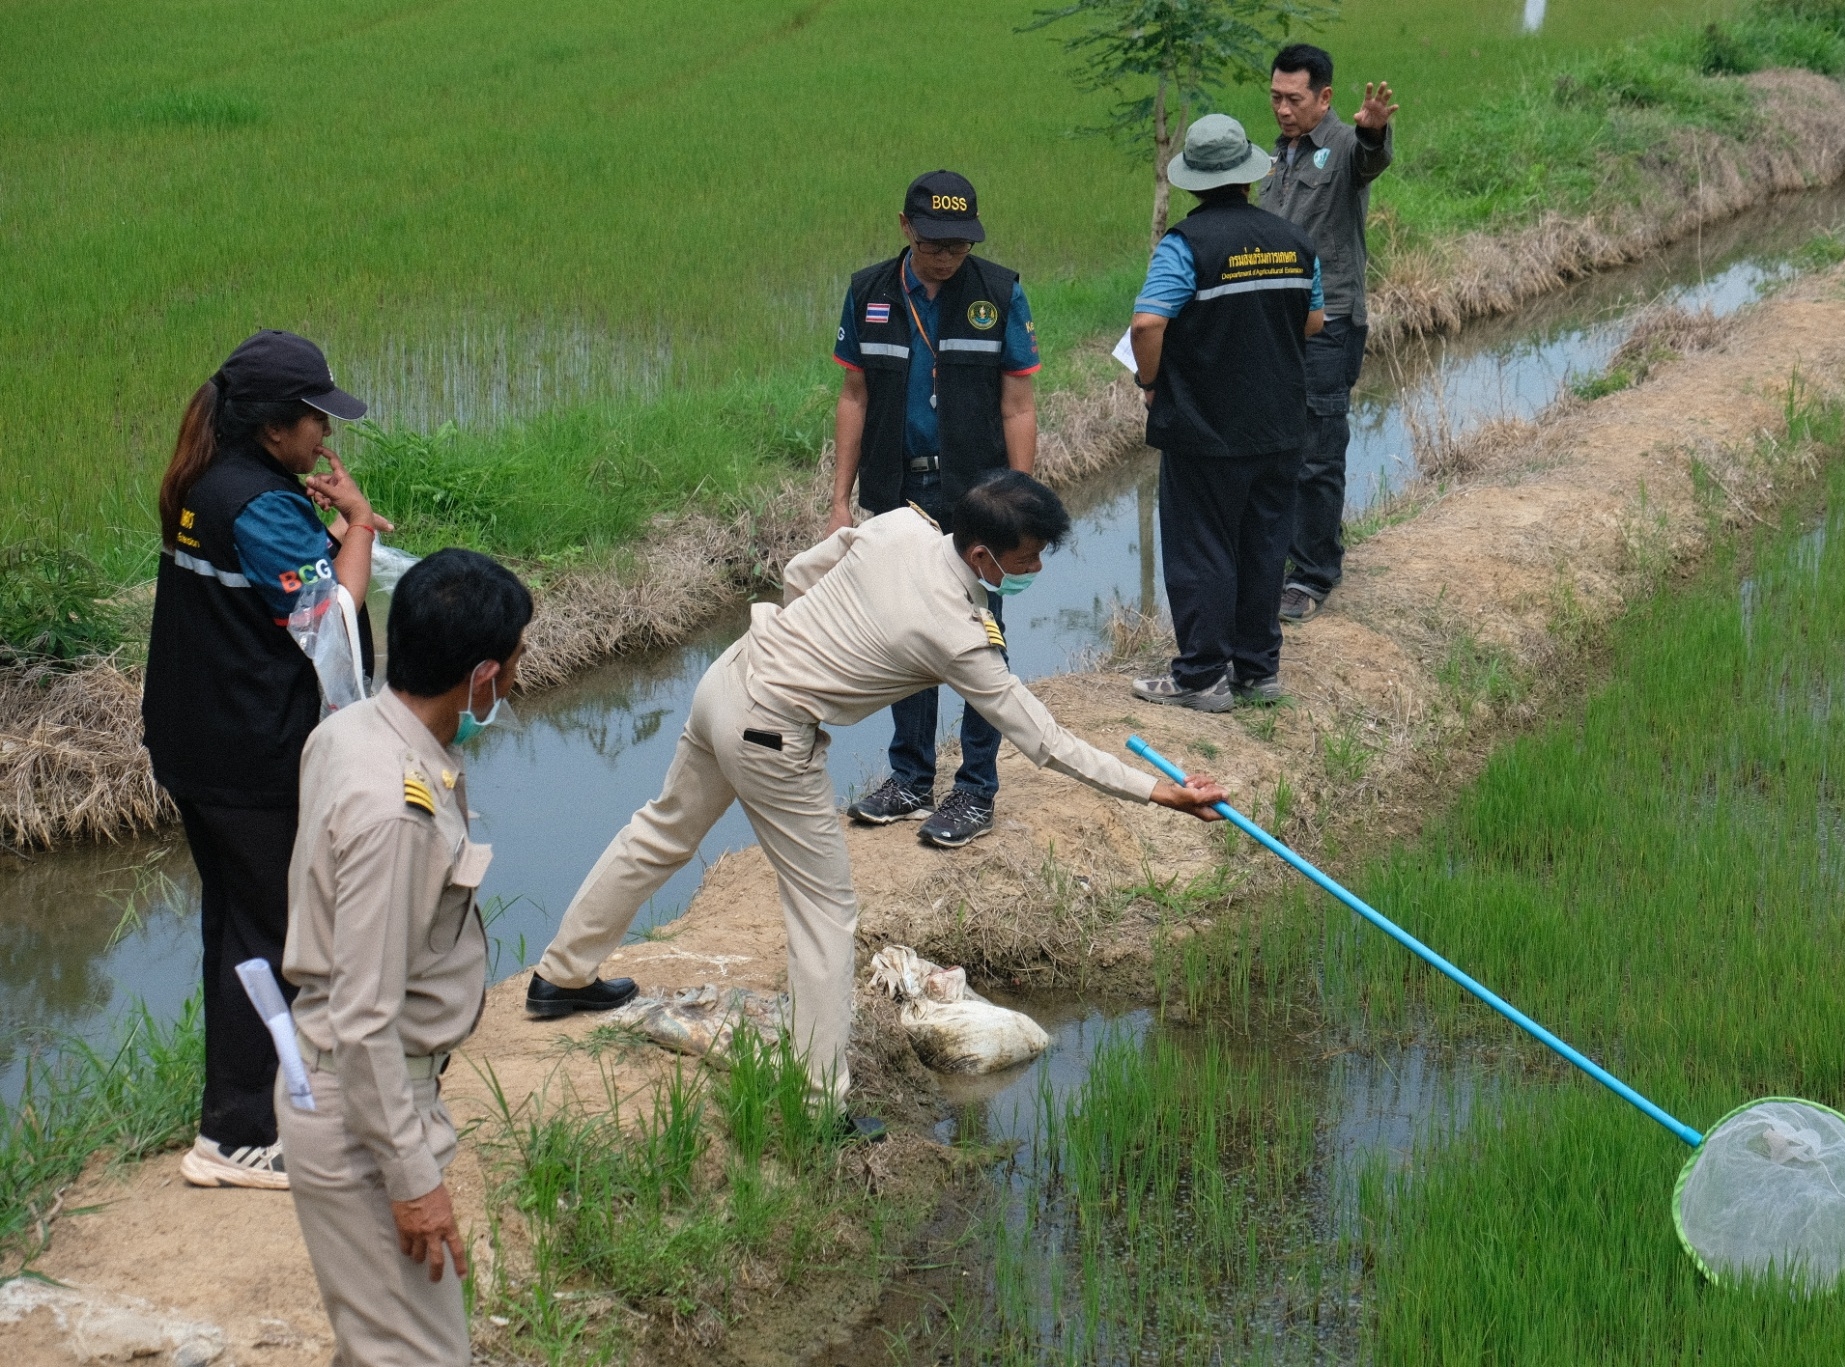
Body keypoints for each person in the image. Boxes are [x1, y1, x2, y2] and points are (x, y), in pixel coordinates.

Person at [526, 472, 1226, 1110]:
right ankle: (819, 1103)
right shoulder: (958, 634)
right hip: (772, 730)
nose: (1037, 567)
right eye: (1029, 556)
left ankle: (562, 973)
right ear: (983, 556)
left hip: (730, 676)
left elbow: (804, 570)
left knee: (663, 829)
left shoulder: (901, 524)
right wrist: (1158, 792)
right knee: (827, 909)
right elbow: (1044, 740)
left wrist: (818, 639)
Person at [142, 328, 387, 1189]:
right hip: (250, 754)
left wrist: (322, 534)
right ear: (273, 426)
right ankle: (241, 1133)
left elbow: (261, 589)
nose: (327, 434)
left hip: (192, 740)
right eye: (316, 419)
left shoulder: (205, 483)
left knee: (235, 924)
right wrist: (353, 527)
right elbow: (335, 626)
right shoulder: (262, 506)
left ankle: (241, 1109)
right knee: (274, 932)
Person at [278, 548, 532, 1367]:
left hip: (348, 1090)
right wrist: (412, 1180)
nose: (518, 680)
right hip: (362, 1113)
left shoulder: (349, 729)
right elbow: (364, 1016)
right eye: (515, 662)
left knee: (384, 1345)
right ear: (482, 674)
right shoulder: (396, 811)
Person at [829, 170, 1043, 849]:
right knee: (902, 635)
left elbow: (1019, 405)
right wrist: (839, 499)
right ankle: (911, 778)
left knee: (980, 637)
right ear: (905, 228)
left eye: (958, 243)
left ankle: (976, 788)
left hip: (978, 499)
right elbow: (854, 396)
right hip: (897, 497)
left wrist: (1021, 505)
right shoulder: (868, 292)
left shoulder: (1000, 293)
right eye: (933, 243)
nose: (946, 255)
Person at [1128, 114, 1325, 714]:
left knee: (1202, 546)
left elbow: (1146, 324)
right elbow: (1314, 321)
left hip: (1205, 428)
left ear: (1191, 183)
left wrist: (1150, 379)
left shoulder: (1186, 246)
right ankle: (1258, 670)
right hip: (1281, 425)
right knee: (1265, 544)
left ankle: (1201, 676)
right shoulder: (1295, 241)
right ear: (1248, 175)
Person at [1263, 44, 1397, 625]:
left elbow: (1370, 159)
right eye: (1275, 97)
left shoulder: (1343, 146)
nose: (1283, 110)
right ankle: (1285, 558)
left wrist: (1372, 133)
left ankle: (1315, 573)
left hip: (1330, 324)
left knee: (1317, 452)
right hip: (1275, 324)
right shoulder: (1276, 155)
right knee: (1277, 448)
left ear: (1324, 97)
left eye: (1295, 99)